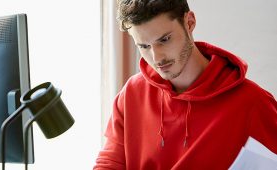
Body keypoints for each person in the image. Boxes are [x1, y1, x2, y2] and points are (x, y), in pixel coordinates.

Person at [93, 0, 277, 169]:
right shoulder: (132, 94)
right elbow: (110, 163)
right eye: (144, 46)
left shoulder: (252, 103)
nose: (157, 58)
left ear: (189, 22)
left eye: (164, 40)